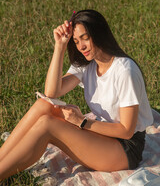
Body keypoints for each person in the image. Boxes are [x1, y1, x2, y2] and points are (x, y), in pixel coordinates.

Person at [0, 9, 153, 180]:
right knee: (44, 105)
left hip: (125, 148)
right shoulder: (87, 63)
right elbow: (51, 93)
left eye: (85, 38)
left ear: (99, 33)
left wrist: (82, 122)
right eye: (76, 41)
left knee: (46, 125)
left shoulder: (125, 71)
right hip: (103, 134)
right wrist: (59, 46)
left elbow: (126, 131)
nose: (81, 47)